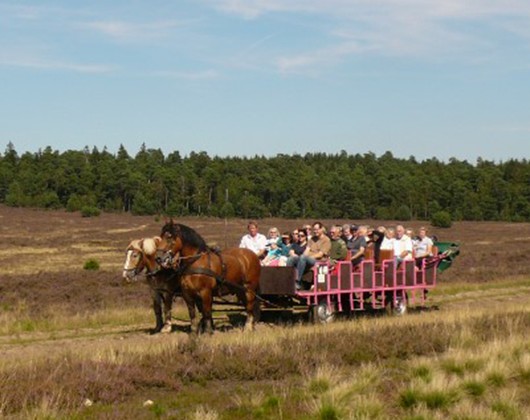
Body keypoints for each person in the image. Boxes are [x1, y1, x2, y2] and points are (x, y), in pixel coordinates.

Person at [288, 221, 331, 289]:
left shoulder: (326, 240)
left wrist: (306, 257)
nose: (315, 231)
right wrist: (300, 257)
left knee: (303, 258)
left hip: (319, 261)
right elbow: (307, 250)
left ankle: (298, 281)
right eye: (314, 229)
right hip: (308, 259)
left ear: (321, 229)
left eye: (317, 229)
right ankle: (288, 280)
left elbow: (320, 255)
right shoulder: (312, 239)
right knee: (292, 258)